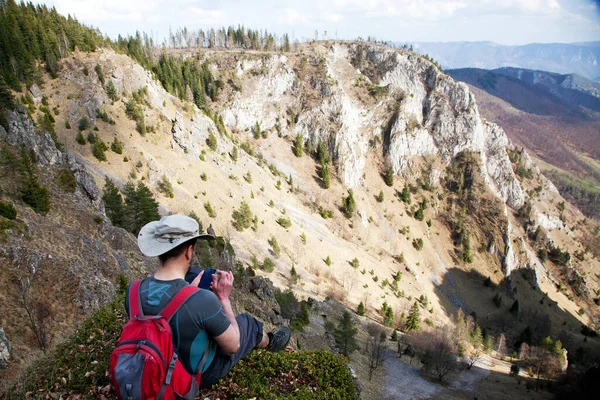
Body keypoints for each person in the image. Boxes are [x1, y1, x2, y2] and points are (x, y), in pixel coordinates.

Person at [126, 214, 291, 389]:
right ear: (189, 250)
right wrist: (223, 298)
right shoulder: (202, 300)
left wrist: (187, 291)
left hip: (151, 363)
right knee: (248, 324)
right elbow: (233, 345)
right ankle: (269, 342)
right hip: (195, 375)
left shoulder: (133, 291)